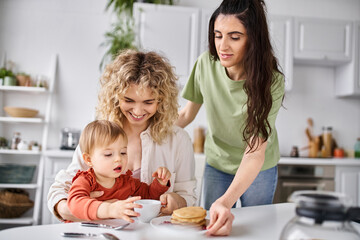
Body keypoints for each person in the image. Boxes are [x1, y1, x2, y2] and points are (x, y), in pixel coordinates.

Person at [48, 49, 196, 222]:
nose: (138, 111)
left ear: (161, 100)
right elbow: (58, 194)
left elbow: (188, 198)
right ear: (115, 97)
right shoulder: (100, 134)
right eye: (129, 100)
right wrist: (104, 208)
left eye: (148, 102)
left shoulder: (178, 140)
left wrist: (176, 202)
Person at [177, 0, 285, 236]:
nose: (222, 46)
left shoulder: (272, 81)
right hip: (218, 161)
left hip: (259, 168)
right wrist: (143, 130)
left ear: (253, 39)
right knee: (211, 227)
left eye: (234, 37)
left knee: (256, 229)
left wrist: (226, 201)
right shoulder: (205, 64)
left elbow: (255, 150)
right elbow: (185, 115)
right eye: (217, 35)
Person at [67, 120, 171, 222]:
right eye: (108, 154)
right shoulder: (85, 180)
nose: (118, 159)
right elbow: (75, 203)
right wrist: (109, 209)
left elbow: (148, 195)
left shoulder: (128, 182)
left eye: (123, 152)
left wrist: (160, 183)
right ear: (89, 159)